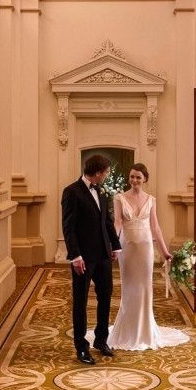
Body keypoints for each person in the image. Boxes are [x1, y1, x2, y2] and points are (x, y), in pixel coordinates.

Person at [107, 163, 189, 350]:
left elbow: (155, 227)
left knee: (144, 289)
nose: (134, 180)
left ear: (145, 179)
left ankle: (144, 330)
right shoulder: (119, 198)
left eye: (138, 177)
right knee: (128, 289)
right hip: (127, 248)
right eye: (132, 176)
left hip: (145, 249)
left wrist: (164, 251)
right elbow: (118, 222)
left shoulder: (151, 199)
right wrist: (113, 244)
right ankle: (127, 330)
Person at [61, 154, 122, 365]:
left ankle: (101, 340)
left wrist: (114, 246)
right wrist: (75, 256)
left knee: (105, 298)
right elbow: (68, 228)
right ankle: (81, 347)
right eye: (106, 172)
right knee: (81, 302)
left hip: (103, 256)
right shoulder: (71, 192)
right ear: (97, 173)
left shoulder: (101, 192)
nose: (107, 176)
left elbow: (107, 222)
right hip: (83, 258)